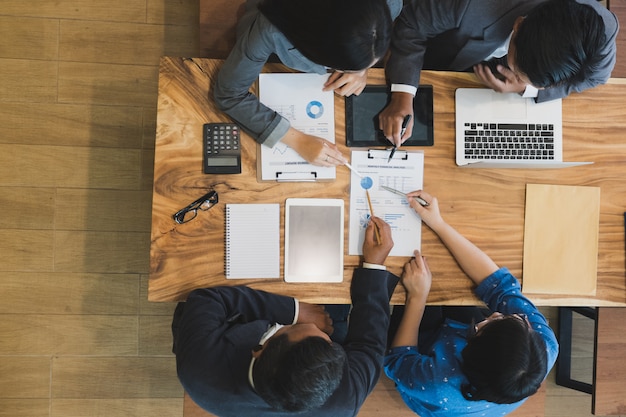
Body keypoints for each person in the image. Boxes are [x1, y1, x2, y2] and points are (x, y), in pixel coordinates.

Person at [172, 216, 400, 416]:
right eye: (321, 335)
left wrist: (294, 312)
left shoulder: (199, 368)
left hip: (231, 320)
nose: (317, 327)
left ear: (258, 348)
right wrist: (373, 265)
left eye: (294, 328)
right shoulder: (345, 400)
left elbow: (205, 300)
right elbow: (370, 344)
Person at [384, 190, 559, 416]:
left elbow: (399, 359)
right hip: (479, 357)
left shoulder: (437, 383)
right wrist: (438, 224)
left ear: (467, 348)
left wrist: (417, 297)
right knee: (443, 285)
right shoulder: (544, 342)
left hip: (424, 376)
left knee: (412, 287)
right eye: (510, 318)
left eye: (484, 325)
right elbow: (500, 284)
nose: (495, 314)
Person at [379, 0, 619, 146]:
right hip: (443, 49)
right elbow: (411, 24)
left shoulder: (601, 32)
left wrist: (526, 88)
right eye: (518, 71)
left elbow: (596, 78)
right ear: (518, 24)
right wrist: (403, 94)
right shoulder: (472, 5)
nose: (518, 79)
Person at [213, 0, 402, 166]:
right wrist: (298, 141)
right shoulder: (271, 30)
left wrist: (363, 66)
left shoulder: (391, 3)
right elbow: (229, 93)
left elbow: (371, 36)